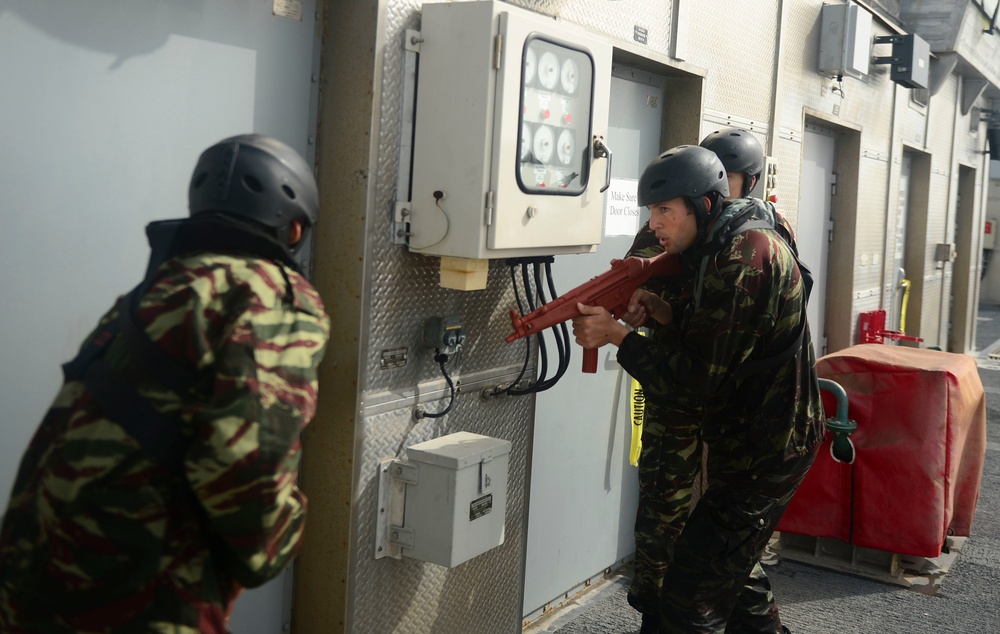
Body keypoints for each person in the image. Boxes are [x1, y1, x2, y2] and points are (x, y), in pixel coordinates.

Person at [0, 134, 331, 633]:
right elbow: (248, 466)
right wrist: (276, 545)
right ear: (295, 228)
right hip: (137, 593)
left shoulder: (162, 286)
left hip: (34, 577)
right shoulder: (270, 294)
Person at [574, 144, 823, 633]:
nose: (655, 224)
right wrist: (666, 311)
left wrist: (619, 337)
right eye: (651, 211)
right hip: (745, 438)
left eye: (665, 211)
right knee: (725, 573)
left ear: (704, 205)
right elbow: (719, 334)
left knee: (691, 594)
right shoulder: (716, 243)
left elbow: (694, 384)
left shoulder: (744, 256)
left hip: (770, 448)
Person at [624, 129, 784, 634]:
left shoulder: (754, 242)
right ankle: (657, 611)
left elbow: (724, 348)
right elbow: (640, 280)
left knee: (719, 546)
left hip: (728, 404)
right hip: (680, 397)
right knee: (665, 516)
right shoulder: (671, 229)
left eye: (731, 178)